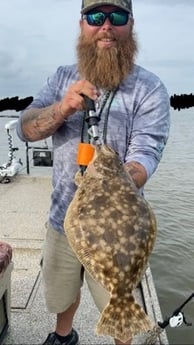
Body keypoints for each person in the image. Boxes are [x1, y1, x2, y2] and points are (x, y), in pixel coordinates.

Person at [17, 0, 170, 344]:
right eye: (96, 16)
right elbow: (26, 129)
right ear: (82, 23)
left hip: (122, 231)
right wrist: (62, 108)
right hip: (62, 218)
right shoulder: (61, 78)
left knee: (121, 302)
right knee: (63, 293)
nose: (106, 26)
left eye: (117, 16)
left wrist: (111, 178)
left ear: (130, 24)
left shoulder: (150, 88)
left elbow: (147, 152)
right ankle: (63, 336)